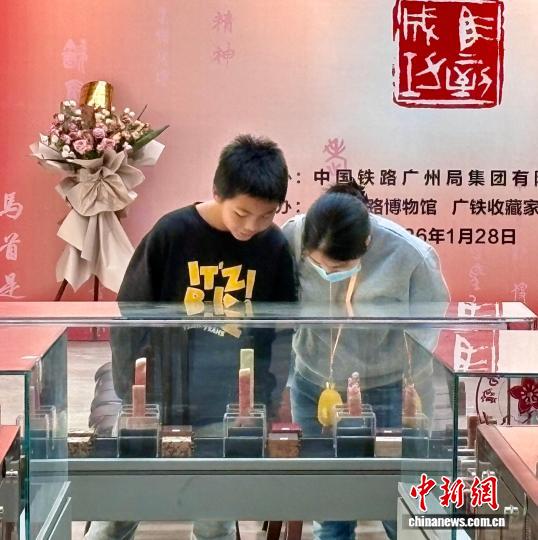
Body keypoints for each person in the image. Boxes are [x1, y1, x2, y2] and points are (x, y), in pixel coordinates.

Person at [85, 134, 297, 540]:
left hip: (228, 401)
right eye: (242, 213)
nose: (251, 226)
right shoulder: (173, 233)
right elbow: (132, 315)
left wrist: (264, 400)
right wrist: (133, 392)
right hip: (159, 392)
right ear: (218, 192)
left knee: (216, 518)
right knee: (118, 508)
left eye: (266, 215)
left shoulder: (273, 246)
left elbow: (279, 331)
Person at [281, 180, 450, 540]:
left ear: (367, 243)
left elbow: (430, 322)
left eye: (340, 265)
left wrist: (410, 393)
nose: (329, 273)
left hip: (389, 389)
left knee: (401, 503)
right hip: (314, 383)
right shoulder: (293, 235)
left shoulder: (409, 255)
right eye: (318, 264)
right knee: (331, 502)